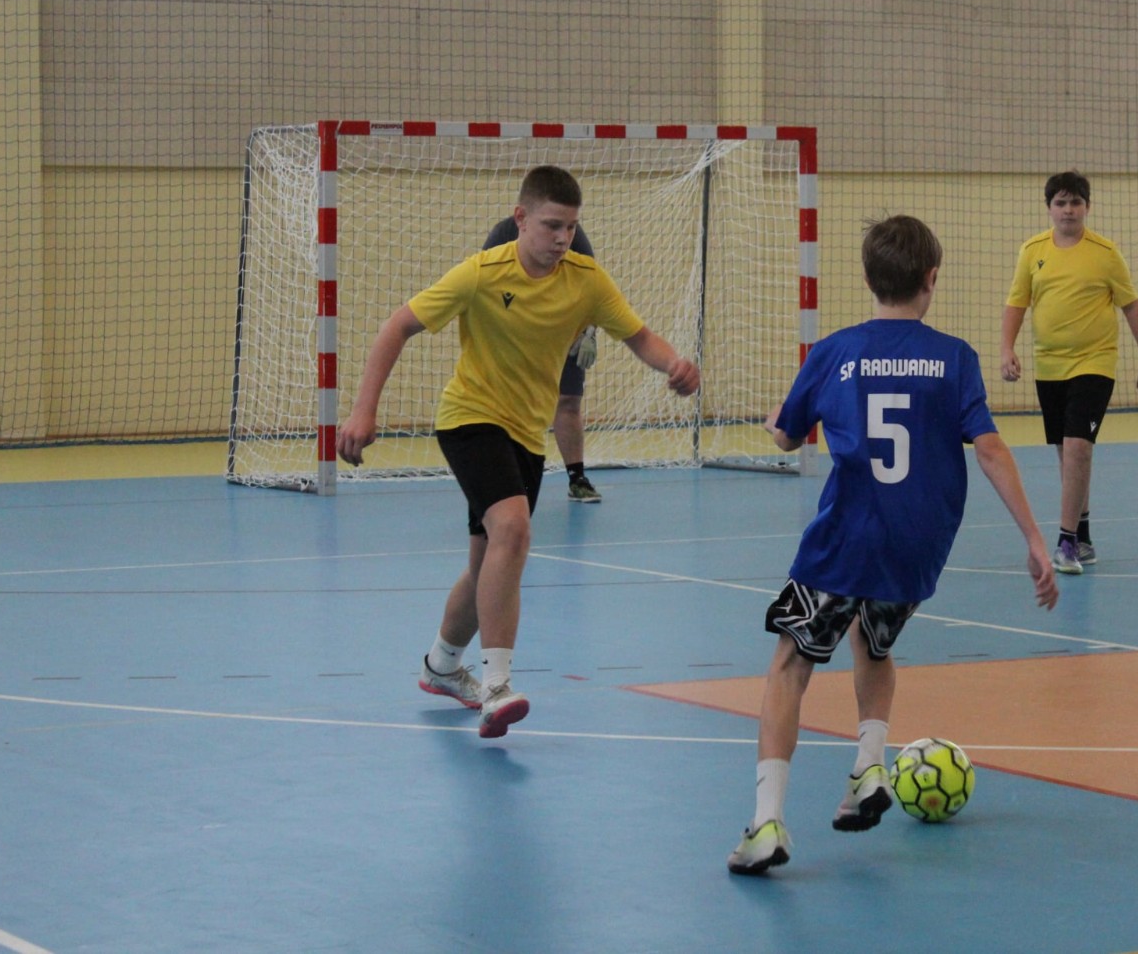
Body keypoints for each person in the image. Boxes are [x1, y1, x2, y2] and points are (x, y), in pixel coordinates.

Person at [728, 214, 1058, 876]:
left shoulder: (834, 352)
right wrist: (1033, 538)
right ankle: (868, 767)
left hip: (846, 540)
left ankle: (766, 823)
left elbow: (789, 436)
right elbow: (990, 449)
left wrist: (775, 425)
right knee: (873, 642)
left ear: (868, 279)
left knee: (790, 664)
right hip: (918, 546)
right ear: (932, 279)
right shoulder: (955, 358)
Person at [336, 166, 700, 738]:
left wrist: (674, 363)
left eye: (571, 228)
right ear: (521, 218)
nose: (562, 238)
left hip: (528, 435)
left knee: (488, 565)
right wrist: (363, 411)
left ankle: (442, 665)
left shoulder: (586, 280)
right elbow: (396, 327)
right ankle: (497, 686)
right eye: (551, 225)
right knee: (513, 529)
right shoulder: (482, 273)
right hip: (470, 418)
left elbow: (638, 337)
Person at [998, 170, 1138, 575]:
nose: (1068, 210)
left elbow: (1131, 306)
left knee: (1079, 447)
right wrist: (1006, 349)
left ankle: (1066, 543)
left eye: (1076, 202)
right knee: (1066, 452)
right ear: (1049, 208)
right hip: (1049, 365)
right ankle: (1083, 536)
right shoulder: (1032, 251)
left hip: (1095, 362)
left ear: (1087, 206)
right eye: (1061, 202)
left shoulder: (1106, 253)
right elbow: (1017, 303)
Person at [483, 215, 603, 503]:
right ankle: (505, 479)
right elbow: (483, 284)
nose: (561, 236)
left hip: (564, 332)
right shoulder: (503, 233)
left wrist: (589, 331)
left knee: (569, 401)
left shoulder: (575, 237)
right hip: (516, 335)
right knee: (508, 406)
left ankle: (577, 478)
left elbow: (593, 289)